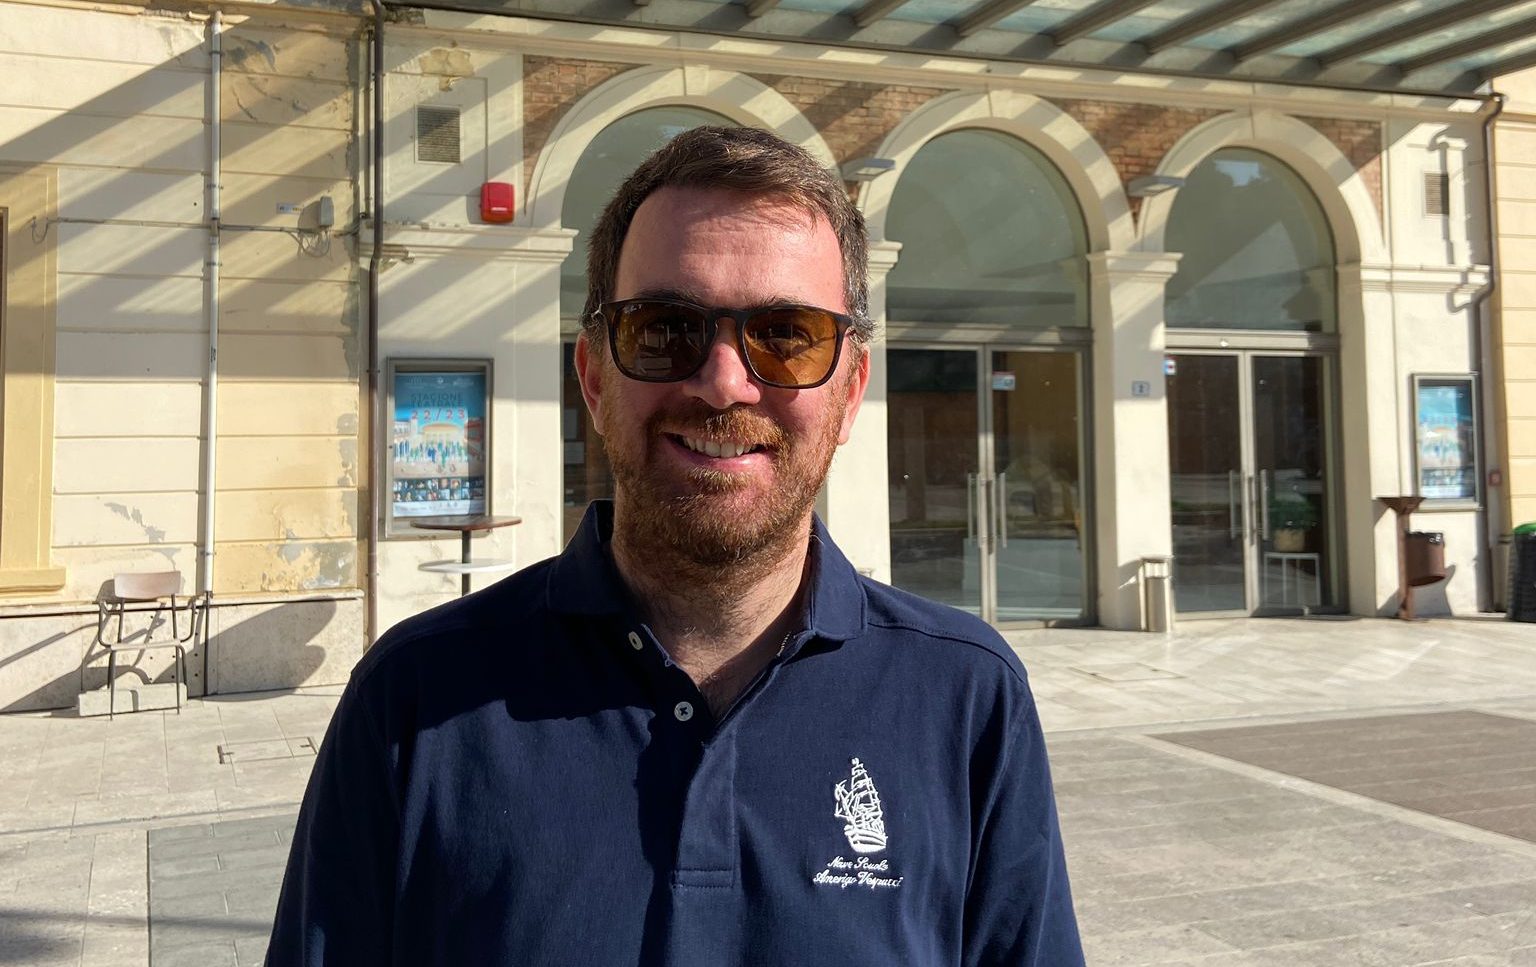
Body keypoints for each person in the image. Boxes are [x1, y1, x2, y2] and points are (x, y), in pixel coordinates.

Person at [266, 126, 1083, 966]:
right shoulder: (411, 700)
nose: (725, 382)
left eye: (787, 334)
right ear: (593, 376)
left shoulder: (968, 697)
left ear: (851, 392)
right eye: (664, 328)